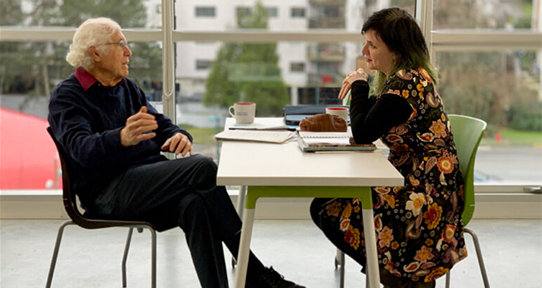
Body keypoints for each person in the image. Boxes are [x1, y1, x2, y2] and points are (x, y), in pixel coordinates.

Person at [48, 17, 304, 288]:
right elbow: (80, 149)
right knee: (203, 168)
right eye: (121, 44)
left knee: (194, 204)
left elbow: (162, 126)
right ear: (95, 52)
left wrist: (178, 135)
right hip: (107, 192)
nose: (128, 51)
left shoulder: (127, 87)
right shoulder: (67, 96)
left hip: (145, 181)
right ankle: (255, 274)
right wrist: (121, 137)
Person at [309, 8, 467, 288]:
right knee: (327, 202)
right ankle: (396, 274)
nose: (364, 50)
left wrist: (359, 84)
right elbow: (369, 117)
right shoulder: (405, 78)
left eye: (372, 45)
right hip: (419, 182)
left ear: (395, 50)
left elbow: (362, 132)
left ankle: (399, 277)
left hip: (429, 197)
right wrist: (362, 87)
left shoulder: (406, 84)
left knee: (326, 207)